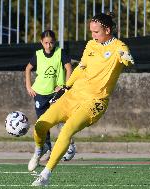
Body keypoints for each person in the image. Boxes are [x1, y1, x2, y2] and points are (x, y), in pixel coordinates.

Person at [29, 12, 135, 186]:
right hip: (73, 95)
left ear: (107, 30)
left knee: (67, 130)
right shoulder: (91, 45)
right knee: (41, 124)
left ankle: (45, 175)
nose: (93, 36)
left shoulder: (118, 46)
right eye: (91, 32)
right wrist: (66, 87)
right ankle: (40, 149)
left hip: (95, 102)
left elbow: (127, 60)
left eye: (96, 32)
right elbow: (81, 68)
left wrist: (126, 58)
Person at [25, 30, 75, 169]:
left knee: (60, 119)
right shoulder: (38, 55)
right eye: (46, 43)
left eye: (51, 42)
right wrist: (29, 86)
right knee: (43, 122)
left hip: (55, 93)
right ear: (41, 42)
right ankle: (46, 147)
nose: (48, 45)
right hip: (40, 93)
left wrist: (65, 86)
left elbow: (69, 68)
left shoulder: (60, 53)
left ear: (55, 42)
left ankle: (69, 145)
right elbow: (28, 68)